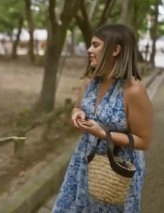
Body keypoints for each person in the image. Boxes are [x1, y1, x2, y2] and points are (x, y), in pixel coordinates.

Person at [52, 24, 153, 212]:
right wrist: (77, 114)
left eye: (95, 45)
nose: (89, 50)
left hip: (117, 169)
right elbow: (77, 107)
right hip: (84, 160)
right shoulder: (89, 82)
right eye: (90, 45)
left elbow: (144, 141)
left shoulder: (134, 91)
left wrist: (102, 133)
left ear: (115, 50)